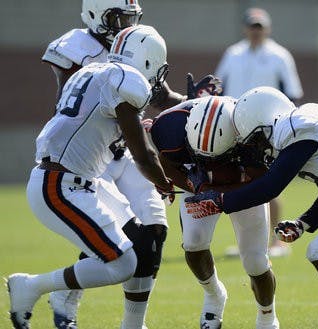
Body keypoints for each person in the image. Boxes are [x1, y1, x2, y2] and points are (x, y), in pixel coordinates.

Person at [41, 1, 221, 328]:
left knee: (153, 232)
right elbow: (67, 103)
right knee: (119, 230)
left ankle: (133, 324)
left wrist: (197, 102)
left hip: (128, 152)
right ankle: (66, 294)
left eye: (131, 17)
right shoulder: (75, 47)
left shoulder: (135, 43)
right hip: (96, 158)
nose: (125, 23)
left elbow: (161, 97)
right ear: (96, 13)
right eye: (119, 17)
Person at [185, 86, 318, 329]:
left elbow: (271, 186)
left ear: (265, 123)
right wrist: (303, 223)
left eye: (255, 139)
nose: (257, 147)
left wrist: (221, 202)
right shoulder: (306, 125)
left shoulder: (297, 125)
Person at [6, 25, 178, 329]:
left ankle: (132, 326)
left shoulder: (96, 72)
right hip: (60, 186)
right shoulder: (128, 81)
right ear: (148, 61)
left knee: (143, 241)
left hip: (82, 181)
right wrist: (163, 181)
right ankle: (33, 286)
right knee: (123, 263)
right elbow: (144, 155)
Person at [149, 96, 279, 329]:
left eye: (216, 156)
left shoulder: (252, 132)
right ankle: (214, 295)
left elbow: (264, 185)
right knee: (193, 243)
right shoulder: (170, 127)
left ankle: (267, 317)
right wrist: (197, 187)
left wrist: (220, 196)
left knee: (256, 261)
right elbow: (167, 163)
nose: (209, 160)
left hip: (243, 182)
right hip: (197, 178)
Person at [215, 7, 304, 257]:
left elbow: (293, 93)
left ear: (267, 29)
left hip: (269, 128)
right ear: (246, 29)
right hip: (235, 127)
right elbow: (219, 88)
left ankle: (278, 242)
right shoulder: (233, 54)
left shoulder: (279, 56)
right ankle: (249, 245)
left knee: (270, 181)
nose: (256, 31)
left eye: (260, 27)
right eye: (252, 27)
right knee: (240, 181)